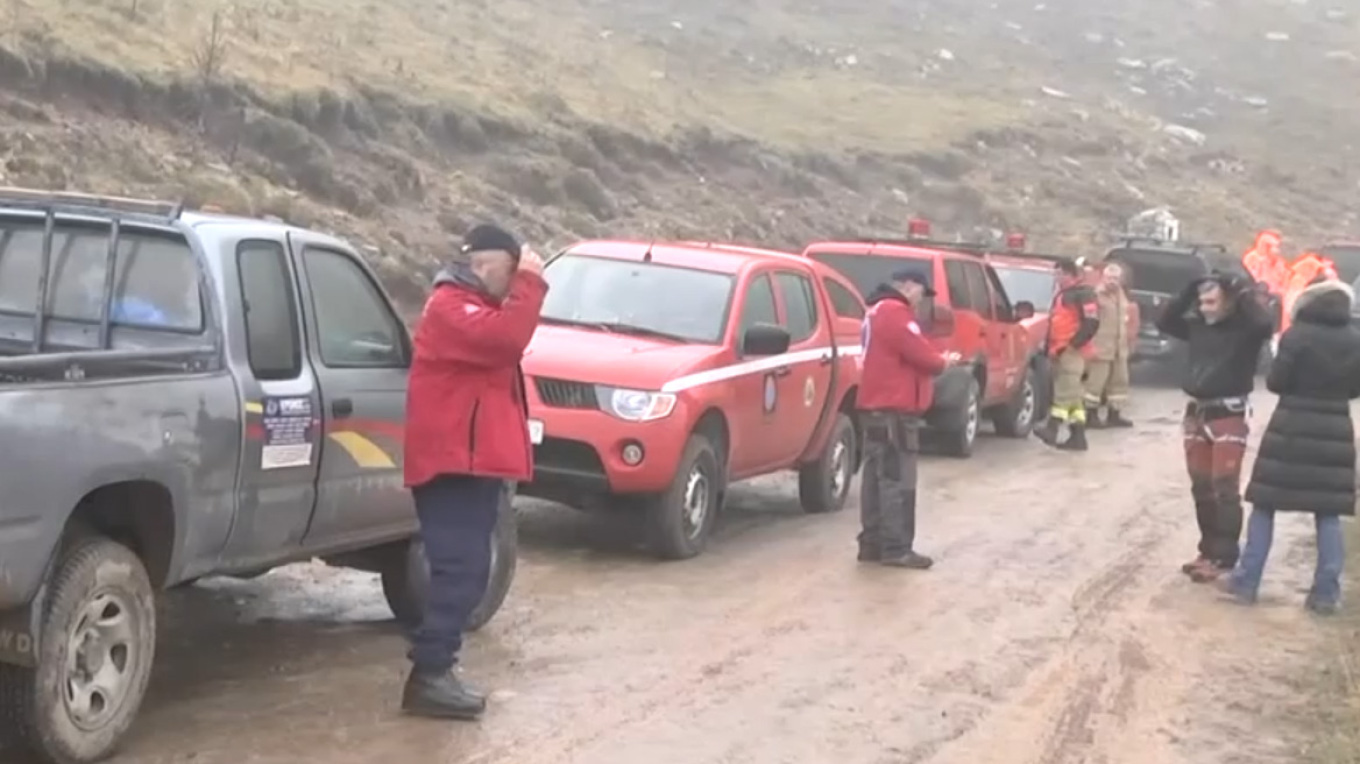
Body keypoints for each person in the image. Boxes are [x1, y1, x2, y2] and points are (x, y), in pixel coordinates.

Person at [401, 224, 548, 719]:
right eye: (510, 274)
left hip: (472, 463)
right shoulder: (449, 306)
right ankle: (429, 675)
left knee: (469, 570)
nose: (513, 287)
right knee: (459, 569)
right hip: (450, 464)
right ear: (487, 264)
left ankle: (434, 669)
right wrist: (531, 283)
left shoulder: (475, 306)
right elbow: (506, 340)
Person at [1226, 277, 1360, 613]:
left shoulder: (1296, 335)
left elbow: (1275, 382)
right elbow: (1356, 390)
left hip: (1291, 426)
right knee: (1329, 513)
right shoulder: (1356, 339)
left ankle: (1247, 582)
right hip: (1335, 429)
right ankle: (1326, 594)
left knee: (1265, 504)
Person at [1155, 272, 1273, 583]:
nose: (1205, 308)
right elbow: (1165, 321)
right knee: (1201, 489)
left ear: (1229, 304)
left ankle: (1225, 556)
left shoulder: (1245, 330)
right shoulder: (1196, 327)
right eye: (1201, 303)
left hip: (1228, 414)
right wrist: (1191, 286)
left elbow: (1264, 324)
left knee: (1224, 489)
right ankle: (1207, 551)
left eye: (1212, 302)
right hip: (1197, 413)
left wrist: (1240, 291)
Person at [856, 267, 957, 569]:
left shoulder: (876, 311)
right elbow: (921, 355)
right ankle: (896, 547)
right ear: (910, 287)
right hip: (894, 411)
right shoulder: (896, 314)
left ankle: (872, 543)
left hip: (877, 408)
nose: (921, 301)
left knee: (876, 478)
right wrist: (944, 362)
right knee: (897, 479)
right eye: (922, 294)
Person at [1035, 260, 1100, 450]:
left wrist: (1072, 346)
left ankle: (1052, 428)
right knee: (1074, 397)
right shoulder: (1063, 295)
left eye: (1059, 274)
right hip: (1061, 351)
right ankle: (1078, 437)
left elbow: (1091, 323)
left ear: (1070, 274)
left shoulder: (1083, 294)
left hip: (1072, 352)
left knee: (1064, 393)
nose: (1055, 278)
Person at [1083, 262, 1134, 428]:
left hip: (1119, 348)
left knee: (1119, 383)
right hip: (1101, 347)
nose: (1113, 281)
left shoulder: (1121, 295)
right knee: (1095, 384)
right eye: (1110, 277)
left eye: (1116, 278)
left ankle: (1114, 414)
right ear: (1103, 278)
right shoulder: (1096, 295)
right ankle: (1090, 415)